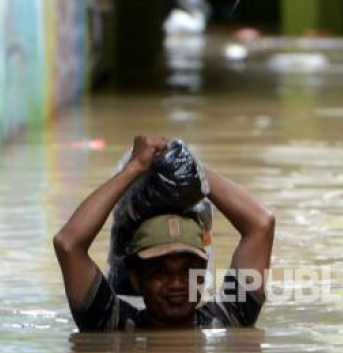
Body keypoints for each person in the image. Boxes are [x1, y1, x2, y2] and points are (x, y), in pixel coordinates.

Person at [53, 135, 275, 331]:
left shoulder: (226, 319)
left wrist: (192, 168)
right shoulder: (115, 326)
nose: (177, 284)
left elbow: (261, 225)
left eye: (187, 270)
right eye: (160, 272)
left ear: (202, 272)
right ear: (137, 278)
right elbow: (68, 244)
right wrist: (135, 168)